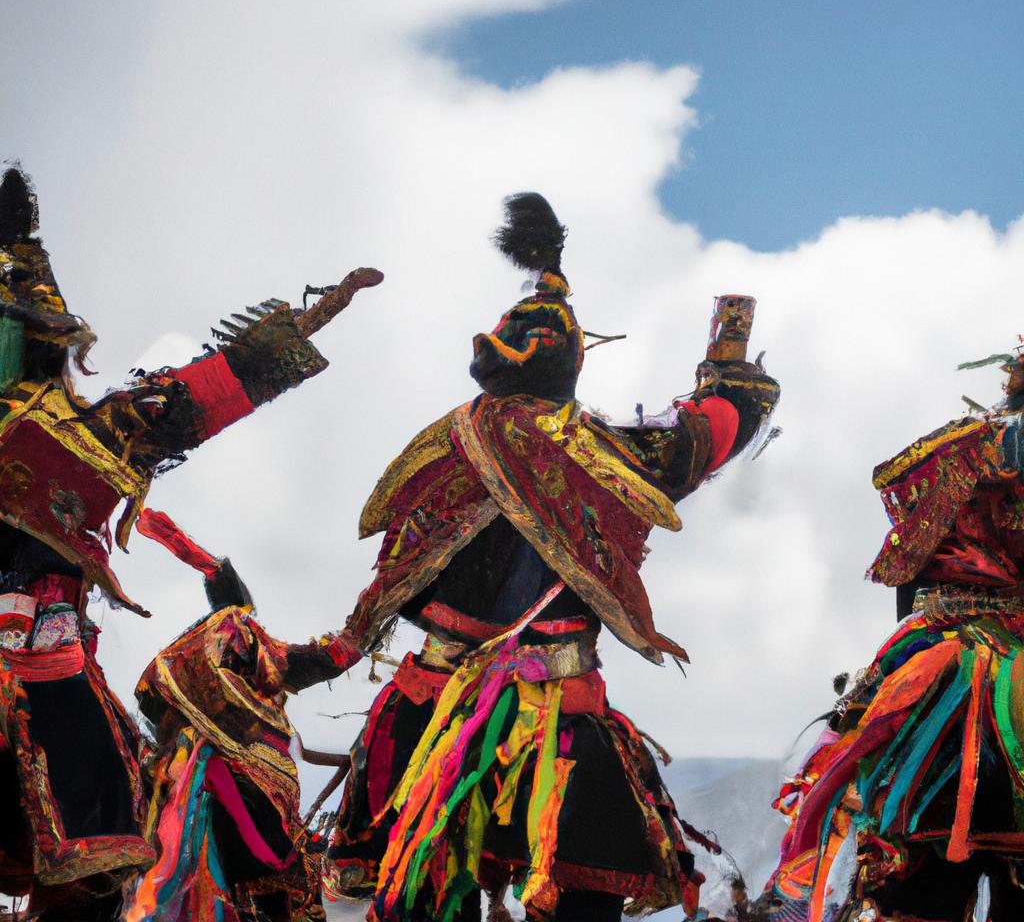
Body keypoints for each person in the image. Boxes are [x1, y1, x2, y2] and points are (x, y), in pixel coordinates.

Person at [324, 193, 780, 921]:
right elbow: (716, 425)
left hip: (425, 713)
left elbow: (388, 586)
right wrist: (728, 353)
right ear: (571, 361)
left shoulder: (435, 451)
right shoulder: (603, 456)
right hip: (560, 726)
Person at [0, 166, 378, 920]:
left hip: (49, 651)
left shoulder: (99, 427)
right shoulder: (98, 428)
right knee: (99, 806)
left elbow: (210, 387)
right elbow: (207, 389)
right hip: (44, 658)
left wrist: (315, 316)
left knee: (101, 822)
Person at [759, 347, 1024, 922]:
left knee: (855, 748)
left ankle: (807, 881)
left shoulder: (955, 451)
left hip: (943, 661)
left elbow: (903, 577)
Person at [122, 512, 359, 922]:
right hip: (223, 778)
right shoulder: (253, 664)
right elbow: (331, 656)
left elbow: (332, 658)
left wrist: (205, 564)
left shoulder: (262, 671)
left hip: (238, 779)